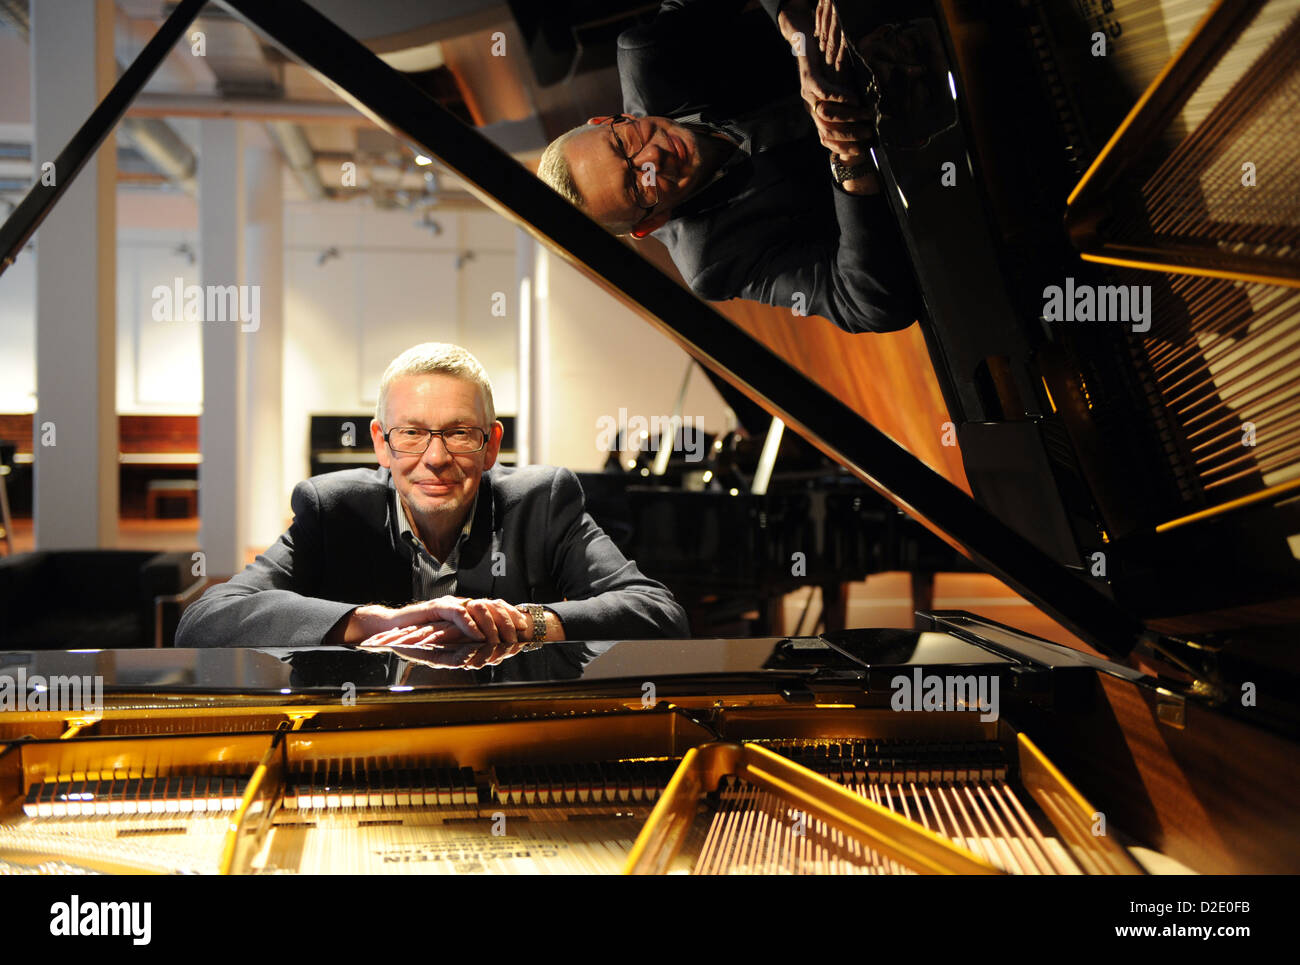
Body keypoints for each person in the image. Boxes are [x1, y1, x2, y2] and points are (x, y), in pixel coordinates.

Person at [176, 343, 690, 661]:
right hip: (363, 748)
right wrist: (373, 621)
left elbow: (659, 613)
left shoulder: (543, 501)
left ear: (491, 444)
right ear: (381, 443)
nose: (436, 458)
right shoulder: (333, 509)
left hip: (513, 739)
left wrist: (526, 623)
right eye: (412, 434)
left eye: (460, 434)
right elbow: (205, 622)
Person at [536, 0, 922, 335]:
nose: (653, 158)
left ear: (607, 120)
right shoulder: (712, 258)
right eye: (638, 188)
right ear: (649, 224)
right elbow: (872, 304)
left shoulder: (650, 56)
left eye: (623, 143)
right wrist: (848, 160)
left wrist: (794, 28)